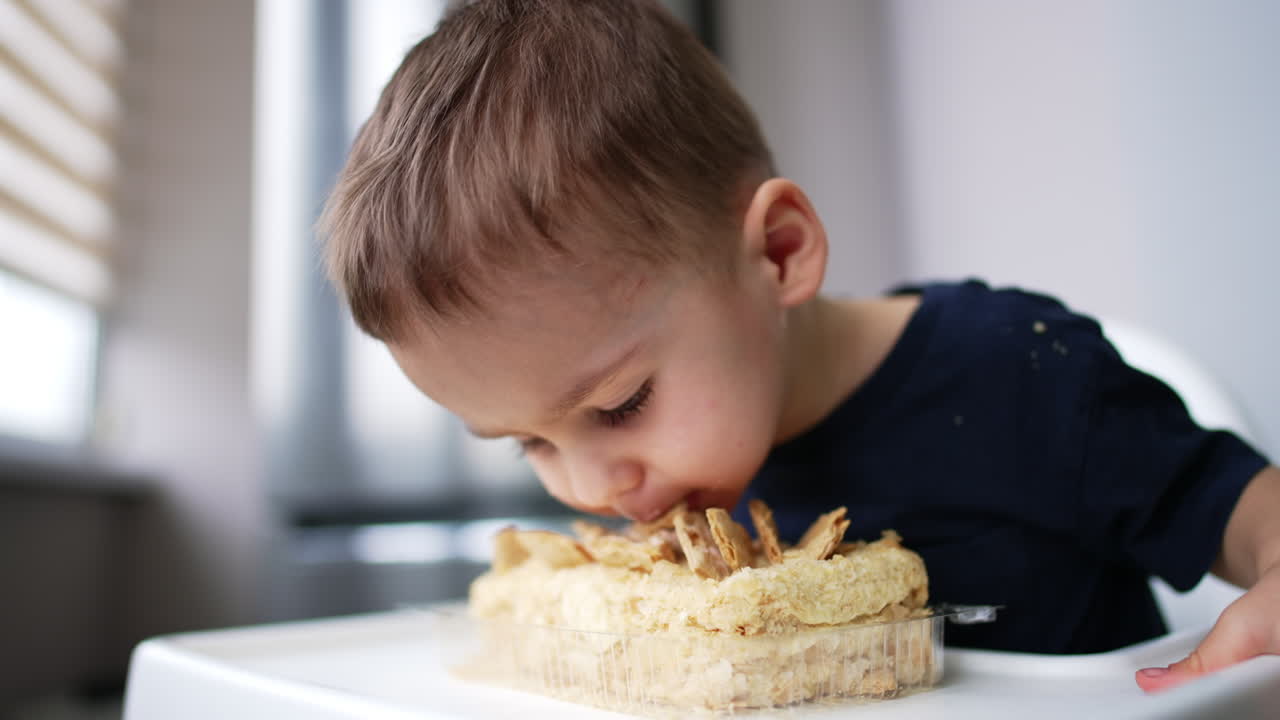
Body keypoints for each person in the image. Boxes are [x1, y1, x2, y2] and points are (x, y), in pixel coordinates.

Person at [319, 0, 1280, 693]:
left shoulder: (1023, 376)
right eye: (529, 442)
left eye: (618, 405)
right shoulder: (672, 518)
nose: (592, 489)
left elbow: (1255, 520)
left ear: (779, 255)